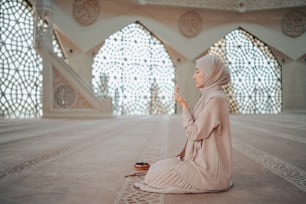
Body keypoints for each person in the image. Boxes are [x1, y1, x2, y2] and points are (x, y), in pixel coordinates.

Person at [134, 54, 233, 193]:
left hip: (207, 170)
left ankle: (208, 181)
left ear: (210, 73)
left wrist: (184, 105)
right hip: (196, 160)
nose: (194, 76)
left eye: (198, 71)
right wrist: (183, 103)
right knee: (156, 168)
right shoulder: (208, 96)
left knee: (155, 176)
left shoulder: (216, 99)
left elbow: (194, 132)